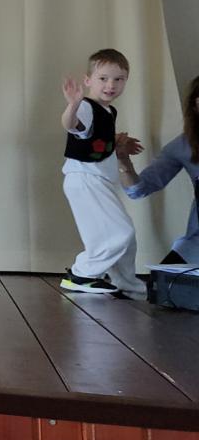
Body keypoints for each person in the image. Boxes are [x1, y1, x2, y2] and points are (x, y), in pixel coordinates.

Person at [57, 49, 146, 297]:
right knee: (119, 233)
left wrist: (116, 143)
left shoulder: (108, 111)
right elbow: (71, 125)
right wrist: (73, 104)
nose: (111, 85)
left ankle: (125, 280)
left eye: (119, 79)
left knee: (125, 235)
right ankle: (82, 274)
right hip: (85, 179)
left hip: (98, 181)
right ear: (88, 80)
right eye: (103, 78)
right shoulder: (85, 107)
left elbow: (94, 138)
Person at [116, 75, 199, 265]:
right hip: (195, 246)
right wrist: (123, 159)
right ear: (195, 106)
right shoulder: (182, 146)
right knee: (161, 281)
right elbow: (138, 189)